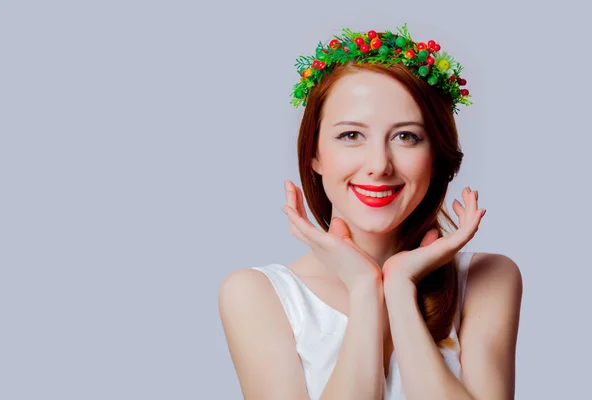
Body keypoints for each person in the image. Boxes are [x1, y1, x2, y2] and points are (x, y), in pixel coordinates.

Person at [218, 25, 523, 400]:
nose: (379, 165)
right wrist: (365, 290)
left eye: (406, 136)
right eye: (351, 136)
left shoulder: (486, 280)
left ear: (436, 157)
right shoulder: (256, 295)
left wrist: (399, 288)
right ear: (314, 154)